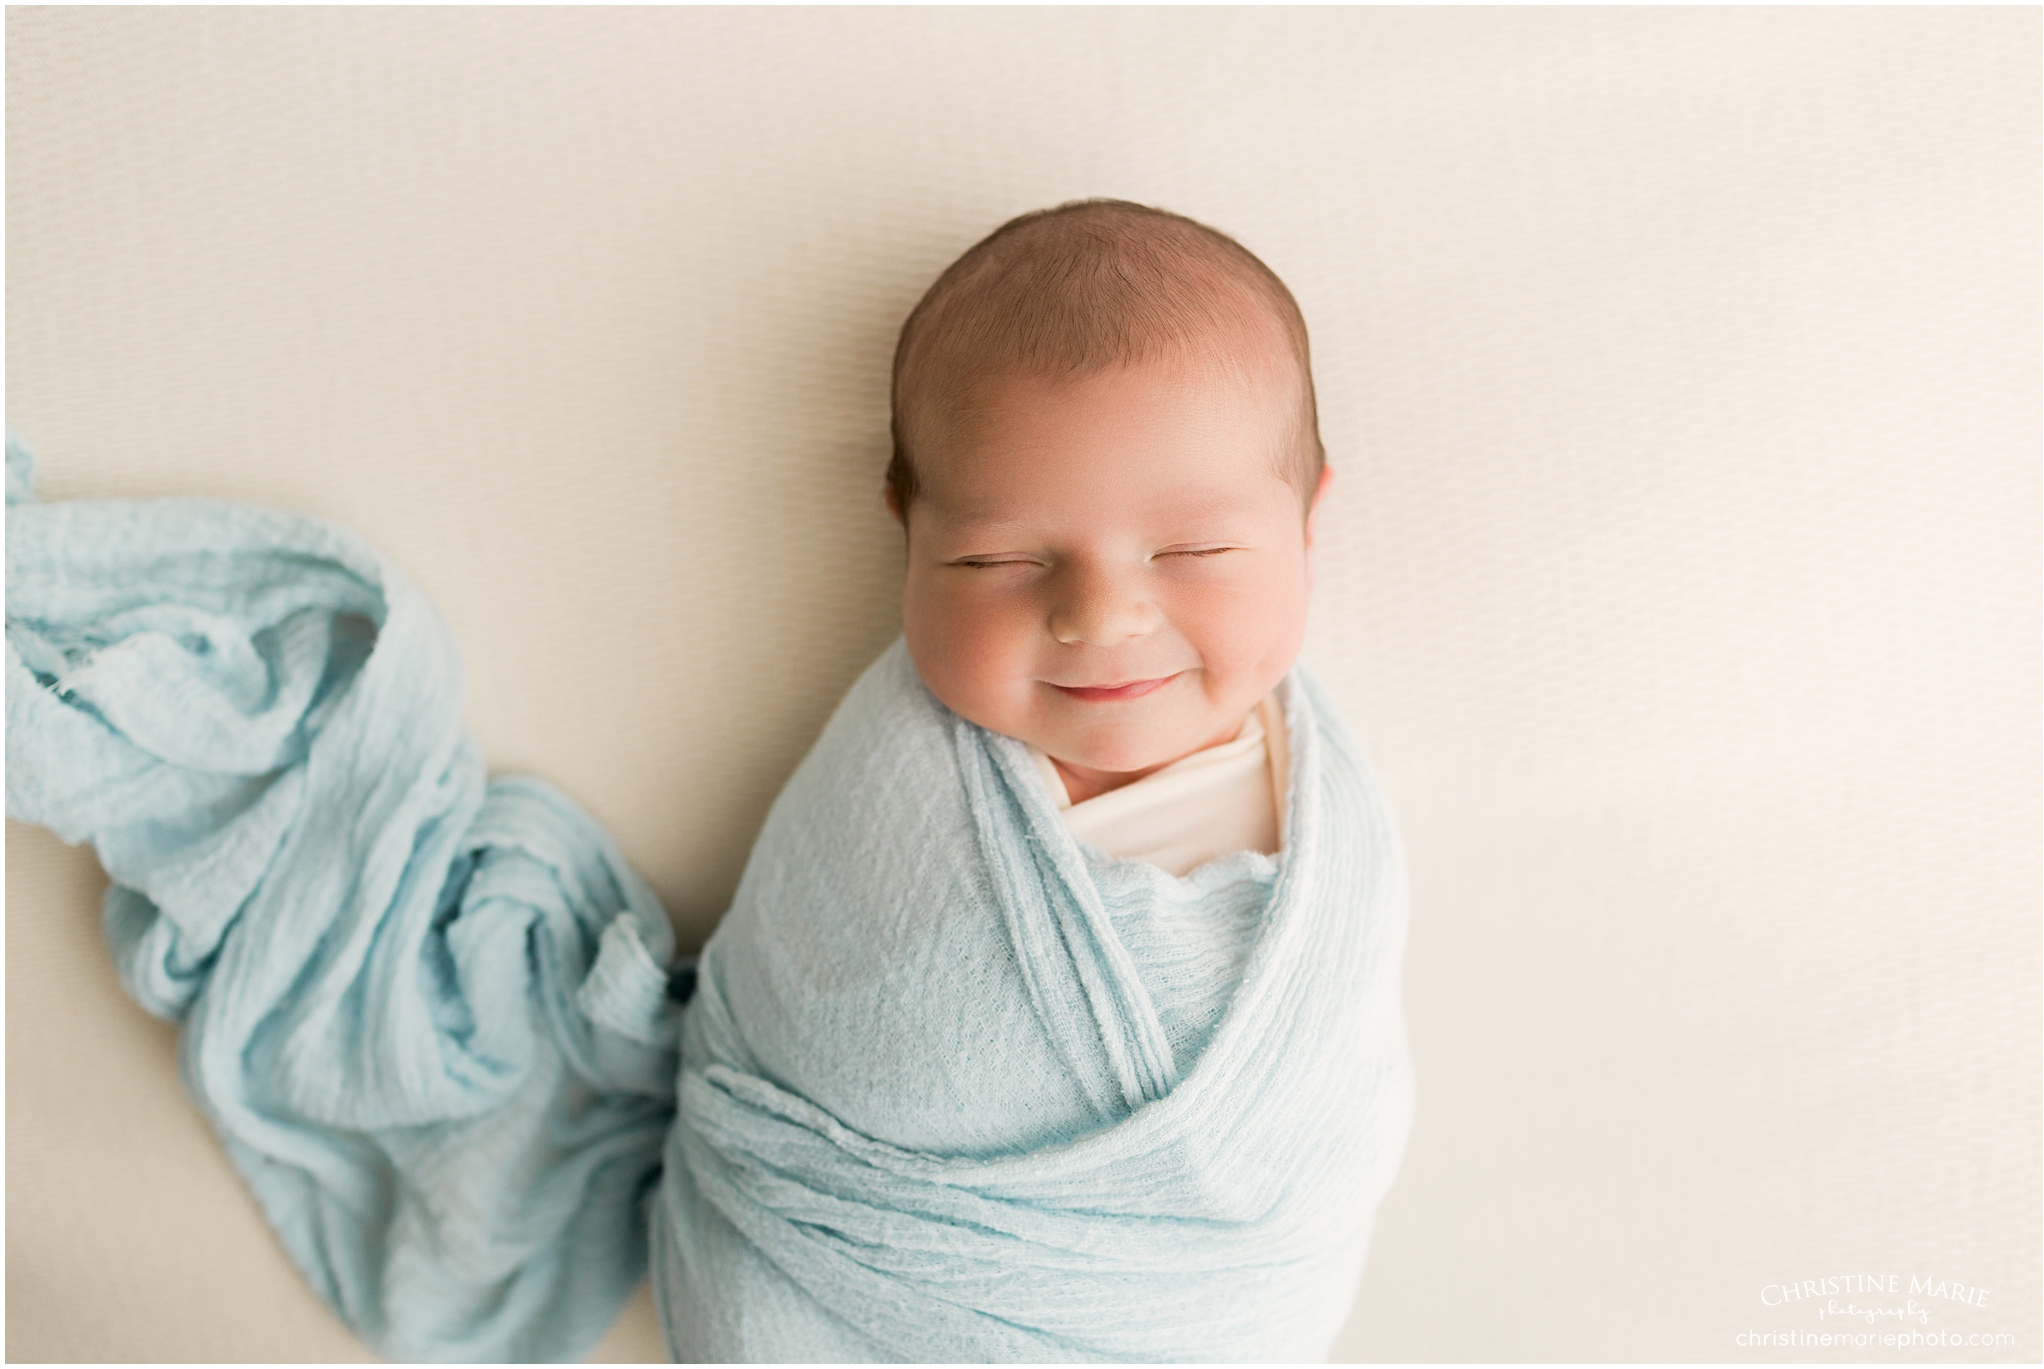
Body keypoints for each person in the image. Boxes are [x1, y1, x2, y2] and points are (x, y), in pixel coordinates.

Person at [6, 199, 1412, 1362]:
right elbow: (825, 1018)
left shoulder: (1330, 809)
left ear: (1307, 520)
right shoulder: (913, 781)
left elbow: (1315, 1125)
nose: (1102, 617)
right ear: (906, 533)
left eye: (1195, 554)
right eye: (1000, 560)